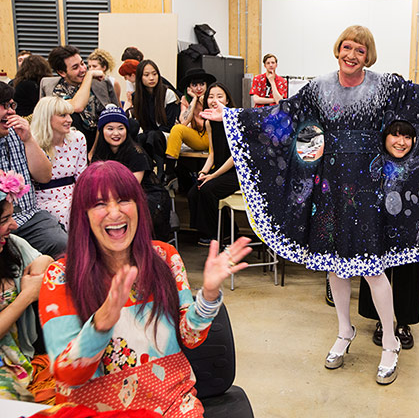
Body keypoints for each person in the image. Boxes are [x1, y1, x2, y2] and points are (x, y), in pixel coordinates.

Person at [201, 25, 419, 385]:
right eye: (347, 47)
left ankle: (391, 342)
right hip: (329, 188)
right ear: (338, 49)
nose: (352, 55)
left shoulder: (384, 86)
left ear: (369, 55)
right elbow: (283, 116)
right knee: (335, 267)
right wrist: (231, 117)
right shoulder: (318, 88)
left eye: (360, 50)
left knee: (372, 268)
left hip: (369, 188)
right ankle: (344, 331)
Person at [38, 160, 253, 413]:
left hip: (173, 402)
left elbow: (190, 337)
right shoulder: (60, 277)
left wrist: (207, 295)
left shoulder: (165, 257)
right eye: (99, 204)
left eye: (123, 200)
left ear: (139, 205)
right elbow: (68, 376)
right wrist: (100, 325)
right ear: (83, 214)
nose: (115, 213)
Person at [358, 120, 419, 349]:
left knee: (409, 273)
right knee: (377, 271)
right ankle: (380, 320)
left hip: (409, 228)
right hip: (377, 226)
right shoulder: (374, 160)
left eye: (407, 137)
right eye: (395, 136)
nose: (401, 142)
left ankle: (404, 323)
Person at [0, 169, 54, 402]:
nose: (13, 225)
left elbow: (47, 262)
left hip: (18, 358)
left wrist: (43, 260)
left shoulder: (11, 245)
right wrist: (26, 297)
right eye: (4, 220)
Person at [0, 83, 66, 257]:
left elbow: (45, 176)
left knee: (65, 246)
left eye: (12, 105)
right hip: (2, 225)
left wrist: (29, 140)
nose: (11, 112)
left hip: (30, 219)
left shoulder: (17, 133)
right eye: (4, 106)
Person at [91, 106, 172, 241]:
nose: (116, 133)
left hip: (145, 195)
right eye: (110, 129)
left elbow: (131, 187)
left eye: (121, 128)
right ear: (102, 131)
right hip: (114, 197)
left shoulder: (136, 153)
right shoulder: (99, 154)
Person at [188, 83, 239, 247]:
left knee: (208, 189)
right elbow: (212, 153)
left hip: (237, 172)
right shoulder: (210, 122)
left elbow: (234, 158)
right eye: (211, 97)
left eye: (219, 96)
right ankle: (213, 232)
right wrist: (204, 172)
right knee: (194, 190)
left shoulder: (235, 119)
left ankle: (220, 235)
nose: (214, 100)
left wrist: (214, 175)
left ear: (227, 99)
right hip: (219, 169)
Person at [30, 97, 87, 230]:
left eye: (69, 115)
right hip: (42, 200)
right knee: (68, 213)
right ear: (47, 118)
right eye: (63, 115)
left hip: (73, 194)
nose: (69, 120)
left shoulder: (77, 138)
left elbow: (82, 176)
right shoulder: (32, 143)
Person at [46, 45, 120, 148]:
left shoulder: (99, 83)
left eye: (82, 63)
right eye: (75, 67)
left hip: (103, 137)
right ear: (62, 72)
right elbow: (77, 107)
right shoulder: (58, 90)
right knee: (72, 116)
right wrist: (89, 75)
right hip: (75, 141)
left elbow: (115, 109)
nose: (83, 69)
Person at [162, 68, 215, 188]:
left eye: (202, 84)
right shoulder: (186, 100)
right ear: (189, 87)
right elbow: (184, 121)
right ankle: (169, 172)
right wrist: (194, 100)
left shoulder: (211, 98)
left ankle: (209, 173)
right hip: (198, 138)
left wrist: (204, 102)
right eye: (194, 85)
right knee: (177, 129)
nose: (199, 88)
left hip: (213, 138)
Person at [132, 60, 180, 179]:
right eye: (147, 75)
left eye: (154, 74)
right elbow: (142, 123)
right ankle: (145, 173)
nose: (152, 78)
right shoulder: (137, 96)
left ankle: (160, 173)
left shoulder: (168, 94)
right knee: (140, 138)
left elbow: (169, 125)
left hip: (166, 136)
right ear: (140, 78)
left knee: (153, 135)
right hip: (150, 135)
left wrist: (151, 134)